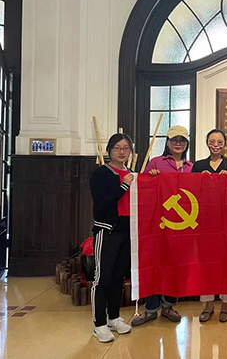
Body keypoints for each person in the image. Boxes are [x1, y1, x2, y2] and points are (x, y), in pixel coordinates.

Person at [131, 125, 193, 327]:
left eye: (182, 140)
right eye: (174, 140)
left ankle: (169, 306)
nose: (178, 144)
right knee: (154, 263)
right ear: (167, 142)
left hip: (181, 227)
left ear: (187, 144)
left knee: (174, 265)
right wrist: (151, 177)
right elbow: (143, 188)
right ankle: (150, 308)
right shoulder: (156, 162)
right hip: (157, 224)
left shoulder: (191, 167)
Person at [89, 133, 134, 342]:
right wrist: (124, 186)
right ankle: (99, 324)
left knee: (118, 277)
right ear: (109, 150)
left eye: (126, 148)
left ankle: (114, 318)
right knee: (102, 278)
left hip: (127, 231)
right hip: (106, 230)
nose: (122, 152)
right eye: (117, 148)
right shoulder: (100, 174)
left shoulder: (132, 174)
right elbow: (102, 203)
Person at [192, 129, 227, 323]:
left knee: (226, 263)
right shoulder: (198, 165)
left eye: (220, 141)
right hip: (205, 221)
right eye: (212, 141)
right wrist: (200, 180)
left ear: (225, 143)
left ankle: (225, 305)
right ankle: (208, 304)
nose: (216, 145)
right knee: (206, 263)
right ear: (206, 143)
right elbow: (191, 194)